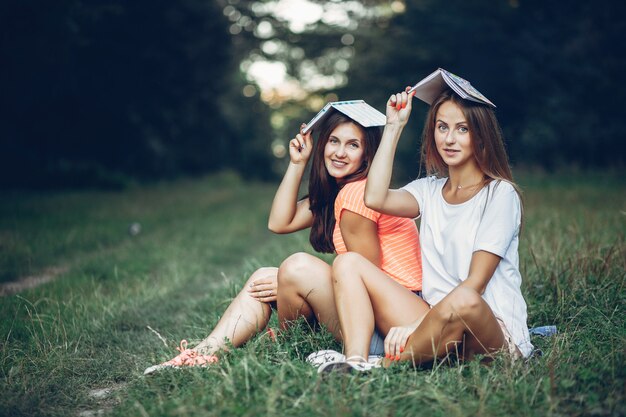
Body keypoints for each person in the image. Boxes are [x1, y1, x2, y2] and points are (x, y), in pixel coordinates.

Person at [144, 104, 423, 375]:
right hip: (373, 316)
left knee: (297, 267)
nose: (339, 152)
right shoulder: (340, 192)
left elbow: (365, 280)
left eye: (353, 145)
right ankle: (204, 353)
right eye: (334, 141)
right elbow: (279, 222)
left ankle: (270, 342)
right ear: (322, 144)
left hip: (385, 328)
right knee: (266, 276)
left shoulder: (356, 196)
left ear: (367, 155)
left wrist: (288, 281)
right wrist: (297, 162)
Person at [320, 75, 533, 372]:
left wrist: (418, 324)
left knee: (464, 300)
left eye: (462, 129)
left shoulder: (499, 194)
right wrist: (393, 127)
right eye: (442, 127)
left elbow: (476, 284)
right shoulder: (429, 190)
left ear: (481, 136)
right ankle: (355, 362)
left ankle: (383, 366)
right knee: (348, 263)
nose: (449, 139)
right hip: (437, 325)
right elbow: (375, 197)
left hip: (490, 332)